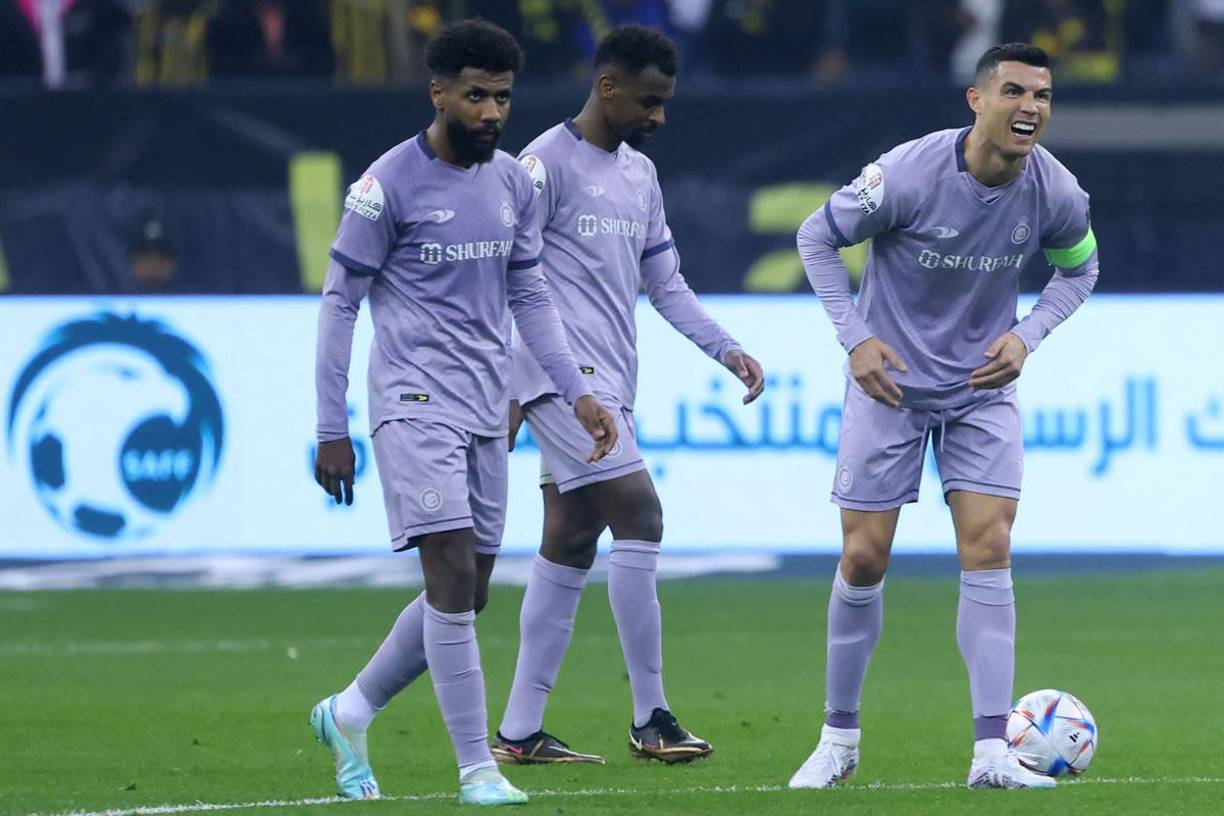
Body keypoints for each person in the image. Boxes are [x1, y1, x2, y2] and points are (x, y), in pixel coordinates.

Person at [309, 19, 619, 807]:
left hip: (486, 409)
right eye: (476, 96)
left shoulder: (513, 183)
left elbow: (530, 296)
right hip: (414, 404)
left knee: (471, 590)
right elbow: (340, 303)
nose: (491, 112)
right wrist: (330, 426)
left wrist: (577, 390)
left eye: (503, 98)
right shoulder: (385, 187)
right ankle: (478, 768)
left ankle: (349, 713)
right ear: (438, 92)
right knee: (449, 575)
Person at [790, 42, 1098, 790]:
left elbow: (1080, 268)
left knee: (989, 546)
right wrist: (856, 338)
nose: (1030, 107)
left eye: (1042, 96)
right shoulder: (906, 174)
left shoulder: (1056, 191)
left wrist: (1027, 334)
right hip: (890, 387)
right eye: (1015, 91)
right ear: (976, 99)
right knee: (864, 558)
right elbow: (816, 237)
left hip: (981, 389)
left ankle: (992, 755)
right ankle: (839, 740)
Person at [489, 24, 764, 767]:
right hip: (561, 382)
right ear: (607, 86)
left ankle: (518, 731)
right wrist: (512, 389)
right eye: (649, 101)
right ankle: (652, 718)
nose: (659, 116)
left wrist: (726, 348)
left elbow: (665, 284)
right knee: (641, 513)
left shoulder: (640, 175)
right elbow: (508, 282)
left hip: (613, 379)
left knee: (571, 537)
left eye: (664, 102)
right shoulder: (542, 165)